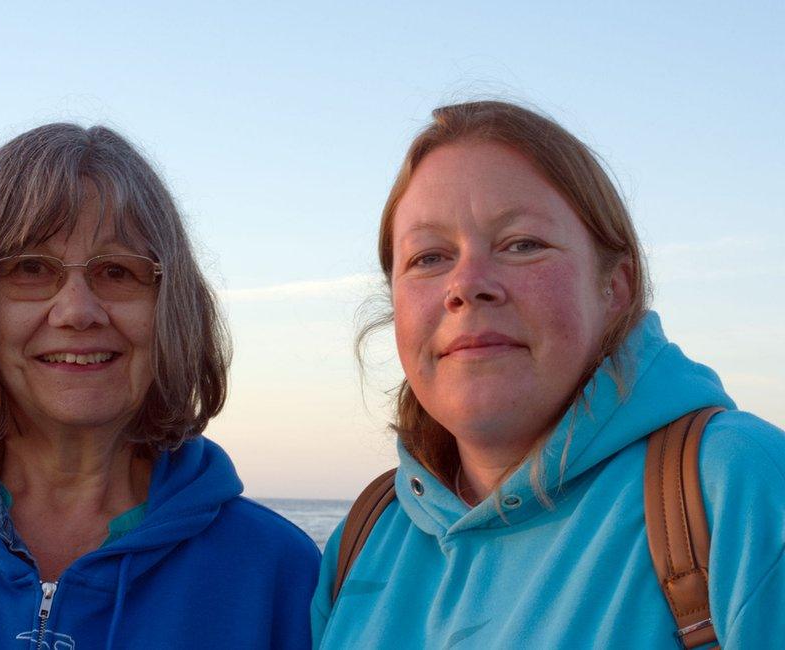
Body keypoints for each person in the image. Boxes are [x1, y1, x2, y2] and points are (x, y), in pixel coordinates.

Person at [0, 123, 320, 649]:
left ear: (173, 306)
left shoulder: (278, 572)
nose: (78, 311)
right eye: (30, 268)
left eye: (118, 272)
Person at [311, 101, 785, 648]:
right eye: (429, 257)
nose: (466, 284)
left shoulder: (739, 487)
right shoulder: (366, 538)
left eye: (522, 244)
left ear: (615, 287)